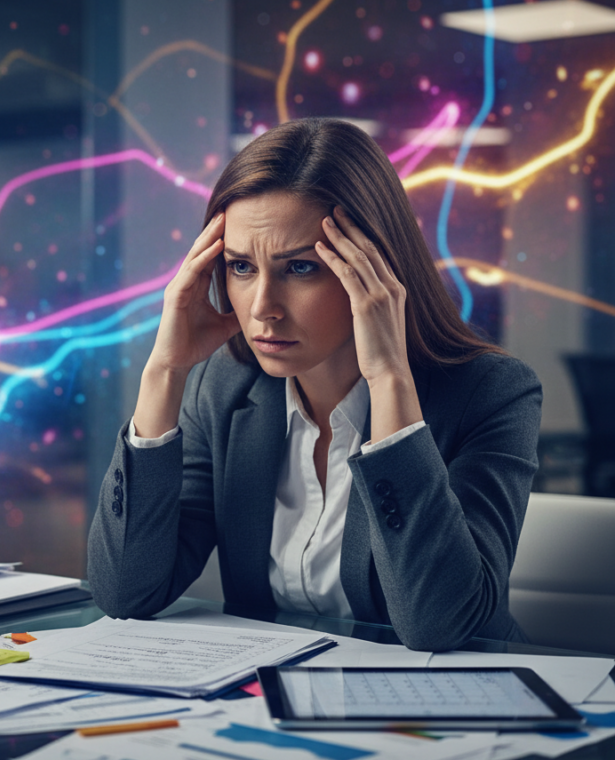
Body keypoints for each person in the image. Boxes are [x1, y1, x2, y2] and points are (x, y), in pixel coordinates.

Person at [87, 118, 542, 652]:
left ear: (373, 268)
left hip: (453, 710)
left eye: (300, 267)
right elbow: (124, 591)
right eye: (240, 266)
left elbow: (438, 624)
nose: (263, 309)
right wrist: (164, 371)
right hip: (270, 709)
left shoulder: (491, 394)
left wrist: (390, 379)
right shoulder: (226, 387)